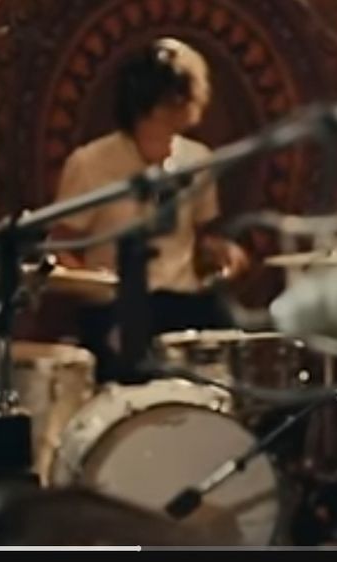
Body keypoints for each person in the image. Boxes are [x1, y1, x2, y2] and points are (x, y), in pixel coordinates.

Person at [51, 37, 249, 380]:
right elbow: (59, 244)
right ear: (154, 102)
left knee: (230, 346)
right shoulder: (90, 163)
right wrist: (98, 286)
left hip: (184, 301)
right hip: (116, 305)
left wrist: (223, 253)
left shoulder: (198, 159)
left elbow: (199, 237)